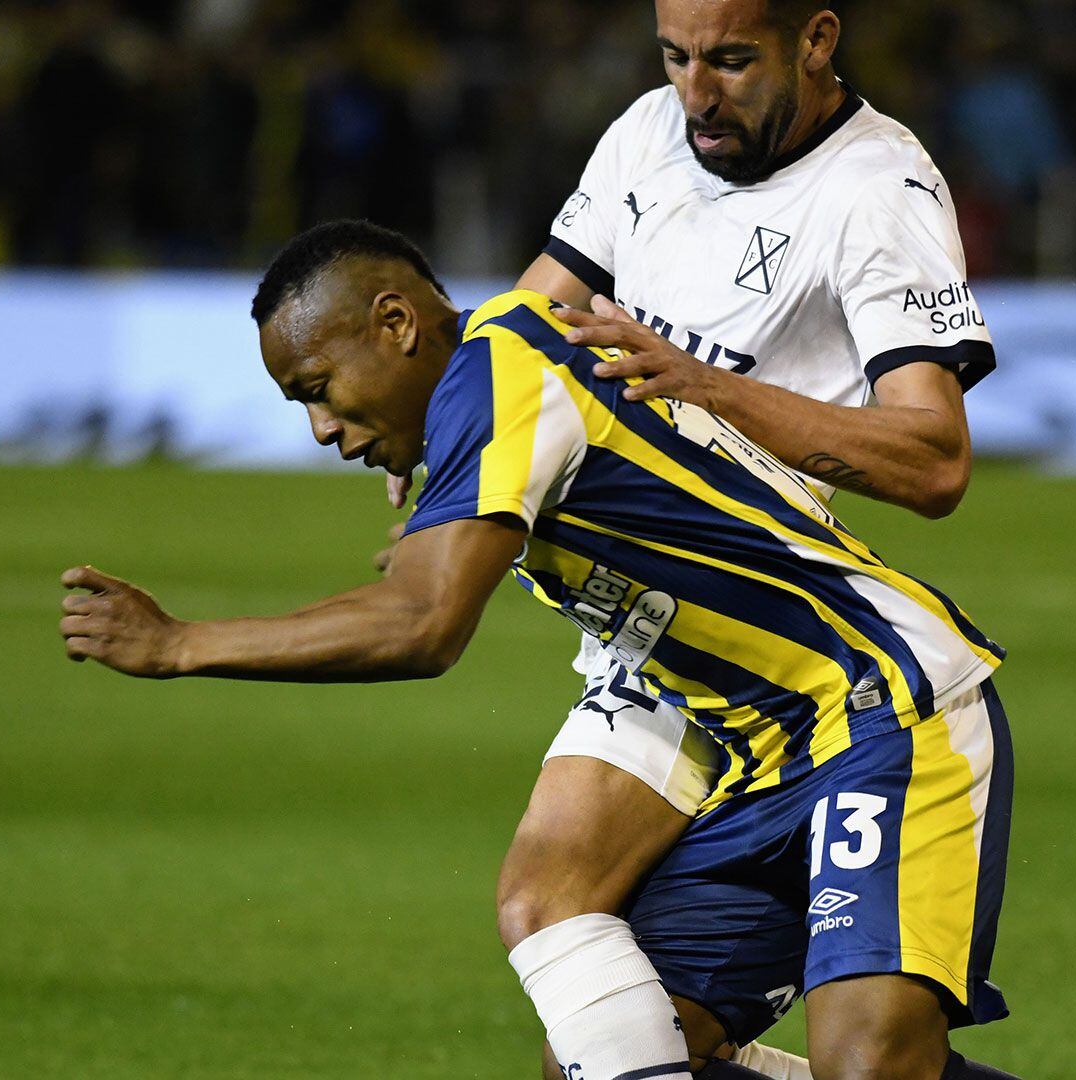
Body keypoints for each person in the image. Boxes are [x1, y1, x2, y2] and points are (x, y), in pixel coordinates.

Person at [60, 221, 1018, 1080]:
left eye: (321, 390)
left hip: (885, 707)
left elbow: (424, 623)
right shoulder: (501, 381)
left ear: (396, 323)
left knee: (864, 1066)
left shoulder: (506, 359)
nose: (322, 430)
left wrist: (180, 645)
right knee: (610, 1047)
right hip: (760, 759)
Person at [384, 2, 1000, 1075]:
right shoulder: (643, 136)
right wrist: (447, 438)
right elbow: (533, 316)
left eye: (729, 61)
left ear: (816, 41)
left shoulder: (877, 189)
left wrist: (706, 388)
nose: (695, 94)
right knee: (564, 946)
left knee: (657, 1029)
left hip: (779, 622)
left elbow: (933, 458)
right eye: (674, 57)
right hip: (656, 630)